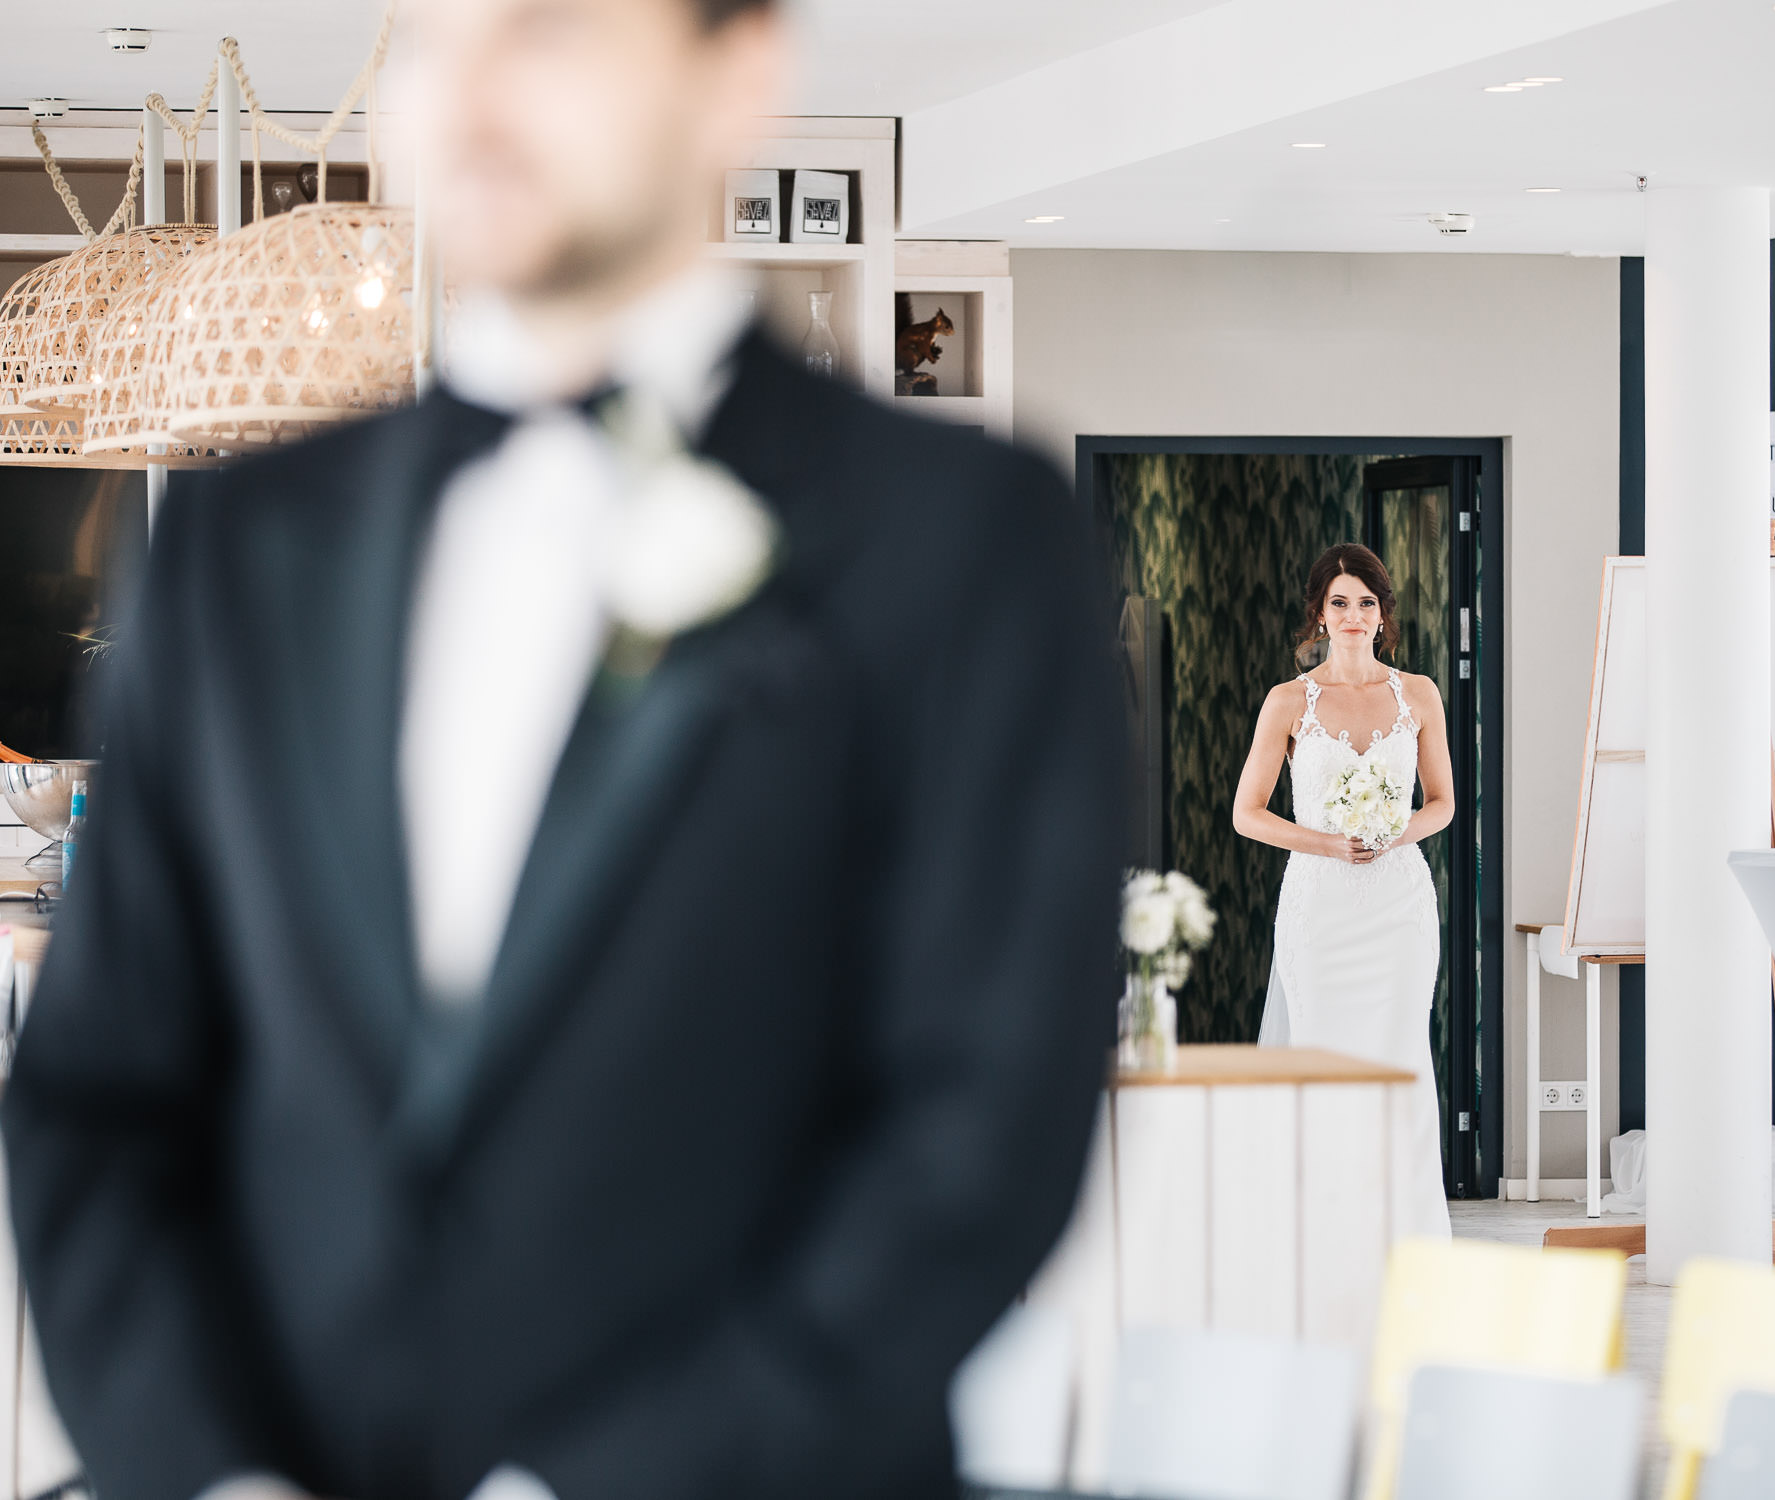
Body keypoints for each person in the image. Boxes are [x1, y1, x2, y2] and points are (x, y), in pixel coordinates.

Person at [1, 1, 1124, 1498]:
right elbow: (98, 1096)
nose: (468, 98)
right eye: (432, 40)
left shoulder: (963, 540)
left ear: (739, 77)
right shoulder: (240, 543)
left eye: (546, 33)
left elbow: (979, 1128)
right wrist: (210, 1475)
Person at [1232, 543, 1452, 1240]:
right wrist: (1330, 841)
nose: (1354, 615)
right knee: (1325, 1064)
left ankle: (1406, 1235)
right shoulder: (1288, 701)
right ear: (1319, 615)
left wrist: (1397, 832)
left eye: (1366, 602)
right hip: (1321, 909)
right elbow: (1247, 812)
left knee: (1400, 1059)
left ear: (1383, 614)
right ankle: (1323, 1233)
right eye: (1339, 602)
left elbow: (1444, 802)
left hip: (1399, 909)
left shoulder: (1417, 694)